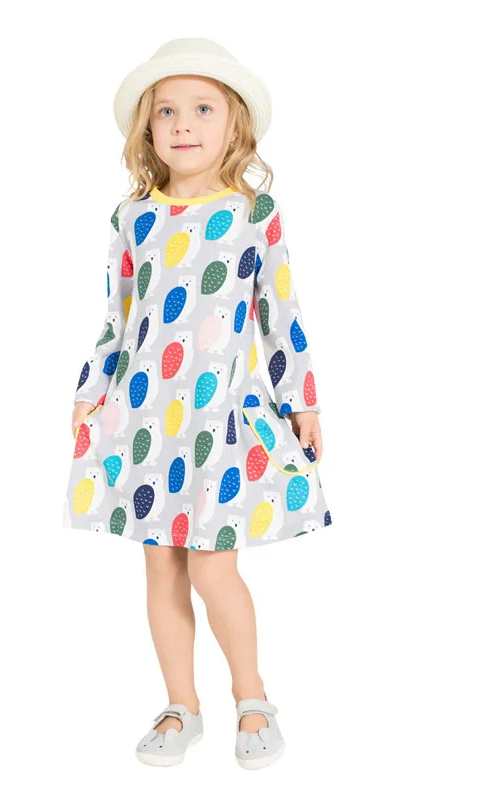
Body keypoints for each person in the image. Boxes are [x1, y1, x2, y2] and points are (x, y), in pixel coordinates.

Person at [61, 37, 333, 769]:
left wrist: (303, 400)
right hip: (146, 417)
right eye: (167, 111)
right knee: (160, 568)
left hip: (222, 420)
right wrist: (91, 393)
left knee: (214, 568)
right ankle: (181, 705)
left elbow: (280, 310)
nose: (183, 123)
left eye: (203, 108)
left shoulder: (252, 211)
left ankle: (253, 698)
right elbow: (118, 318)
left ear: (234, 121)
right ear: (147, 128)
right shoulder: (132, 218)